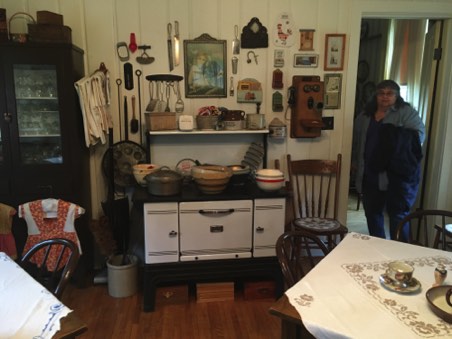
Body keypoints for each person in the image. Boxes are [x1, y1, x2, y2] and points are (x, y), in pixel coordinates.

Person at [352, 80, 425, 241]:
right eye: (381, 93)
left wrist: (392, 134)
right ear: (376, 95)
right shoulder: (365, 115)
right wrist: (355, 162)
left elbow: (418, 136)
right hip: (370, 172)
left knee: (398, 215)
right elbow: (356, 141)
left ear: (397, 95)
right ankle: (379, 247)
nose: (385, 97)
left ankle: (401, 253)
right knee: (372, 213)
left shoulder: (406, 112)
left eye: (390, 93)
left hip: (397, 175)